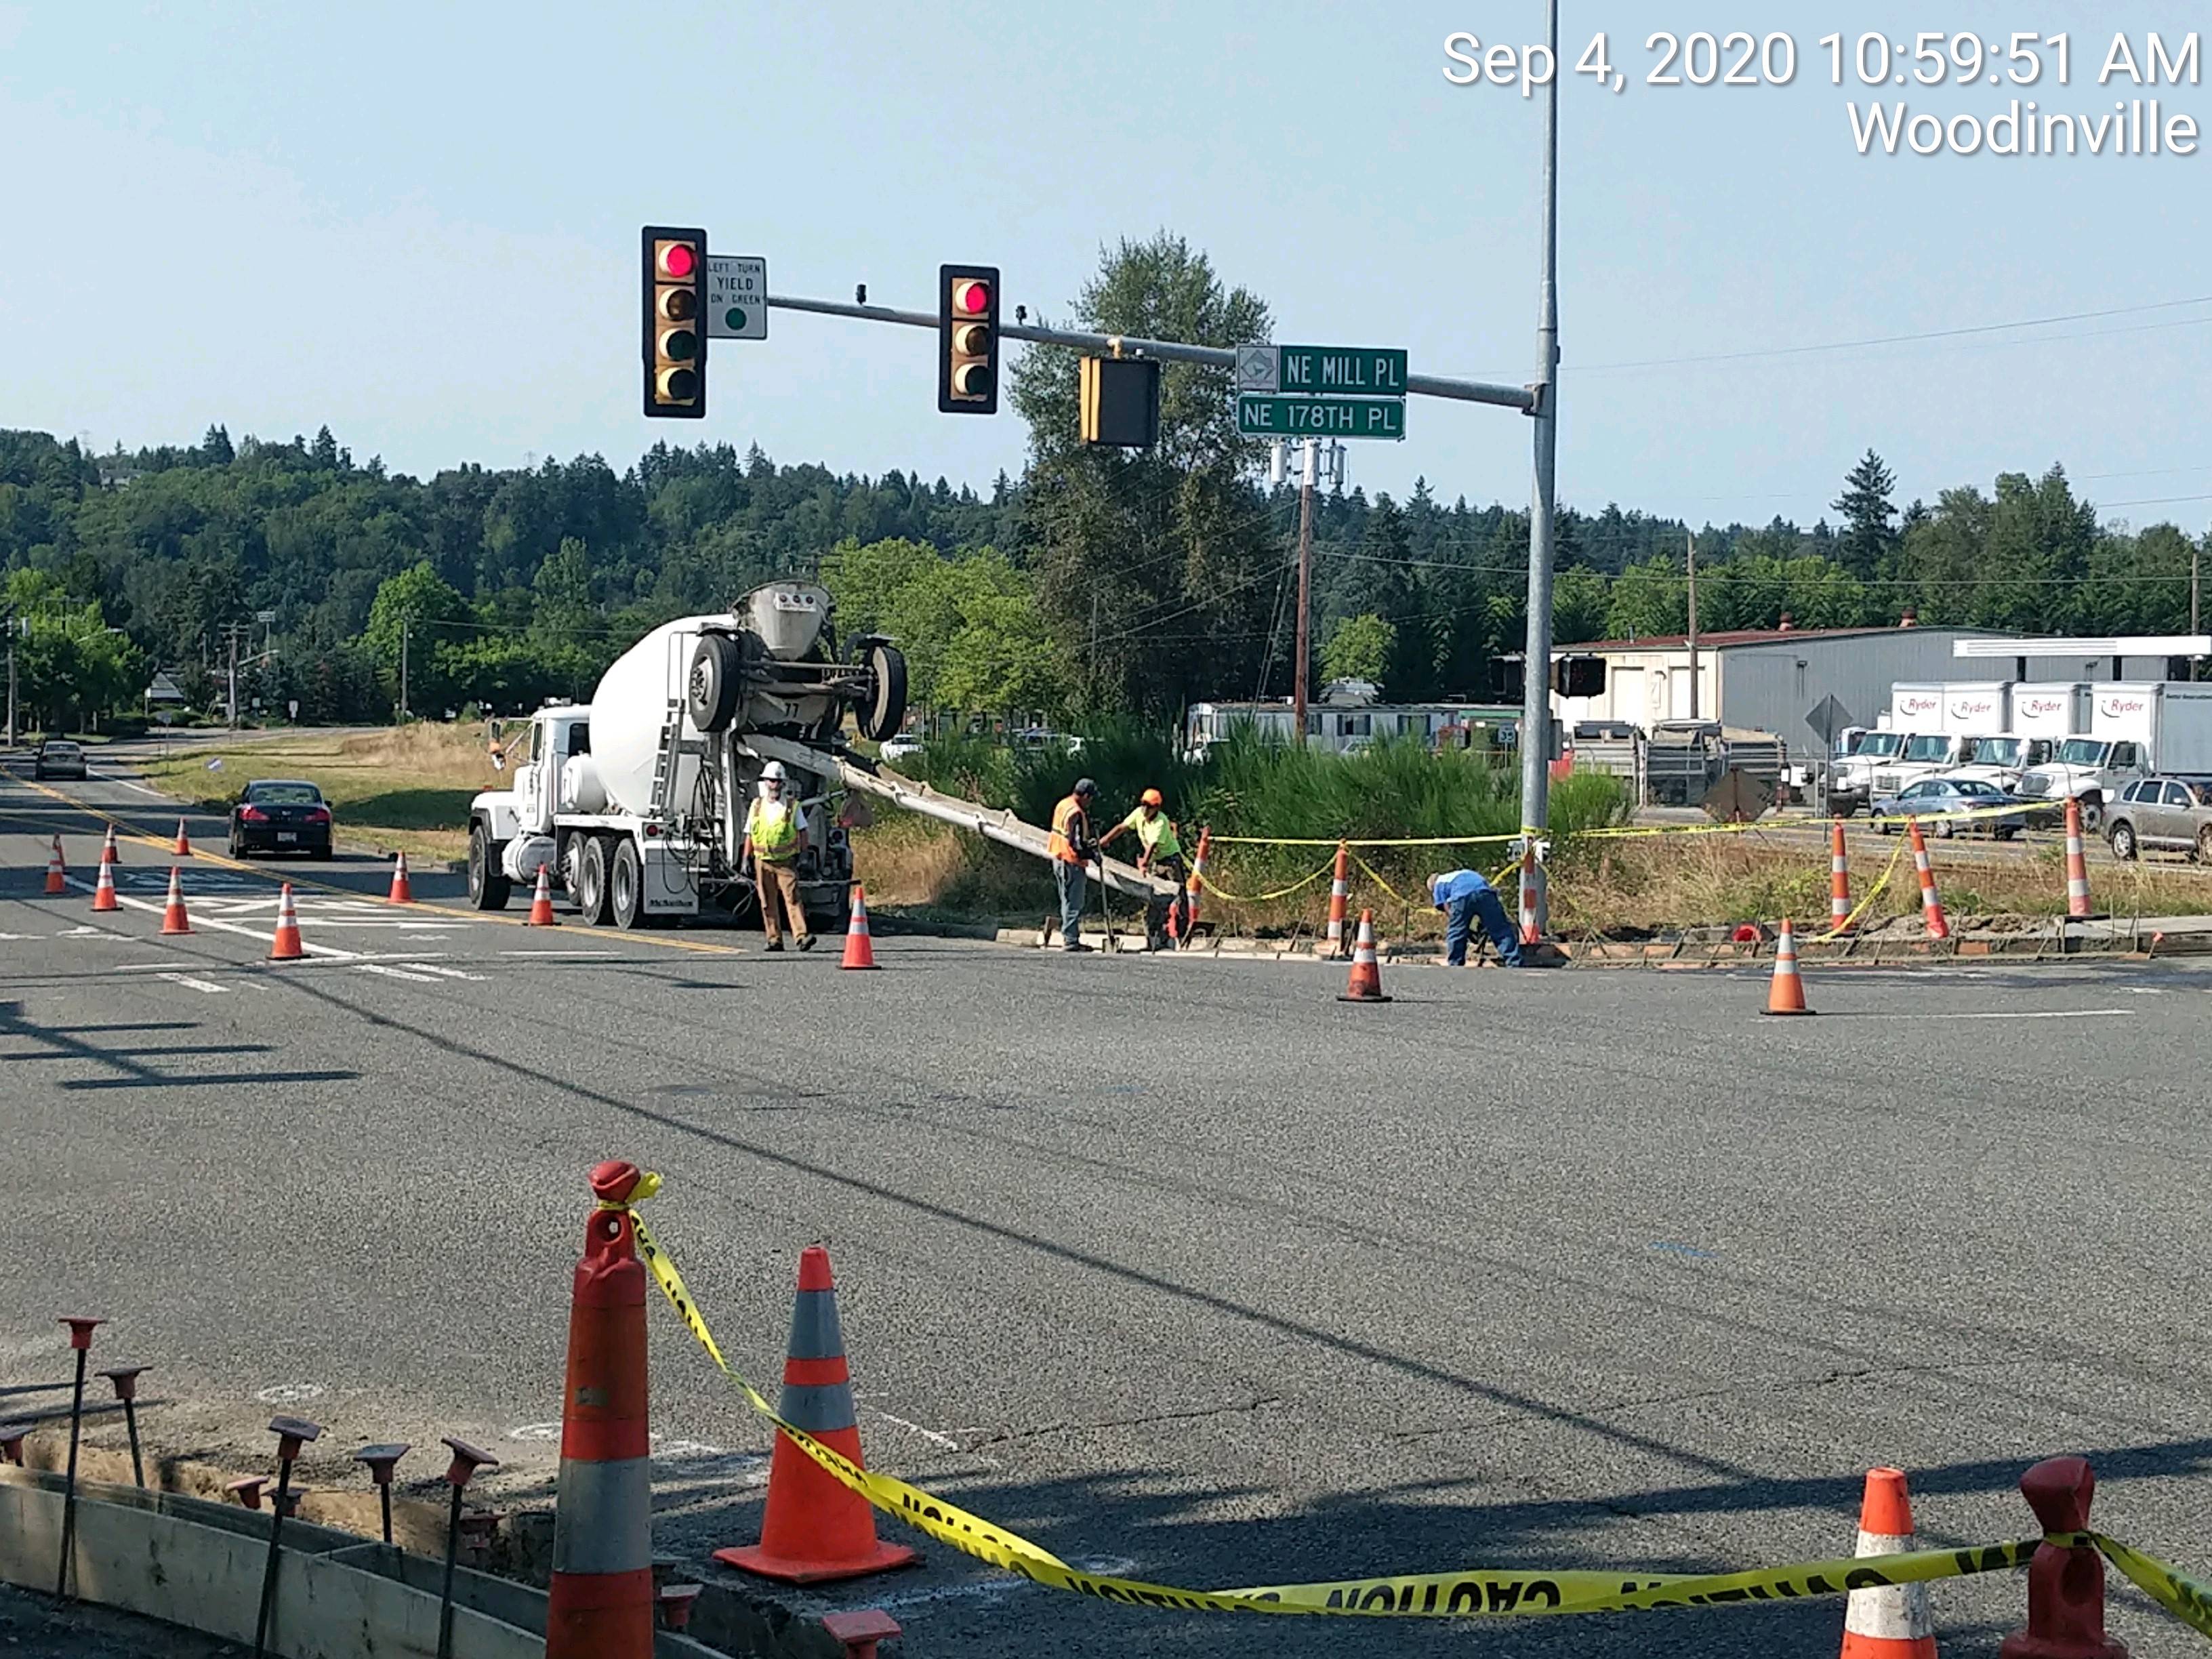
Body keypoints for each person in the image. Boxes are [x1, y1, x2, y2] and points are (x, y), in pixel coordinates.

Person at [1099, 787, 1188, 949]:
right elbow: (1122, 827)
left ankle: (1180, 934)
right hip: (1156, 861)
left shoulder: (1161, 821)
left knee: (1176, 896)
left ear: (1157, 808)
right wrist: (1105, 840)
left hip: (1170, 860)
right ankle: (1156, 935)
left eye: (1149, 806)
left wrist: (1144, 863)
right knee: (1154, 897)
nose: (1145, 809)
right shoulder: (1139, 814)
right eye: (1143, 805)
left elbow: (1152, 846)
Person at [743, 761, 813, 952]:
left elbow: (803, 831)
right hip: (762, 861)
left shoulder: (792, 807)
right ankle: (774, 939)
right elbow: (749, 833)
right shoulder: (757, 806)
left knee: (793, 898)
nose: (774, 785)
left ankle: (802, 936)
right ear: (765, 782)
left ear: (783, 783)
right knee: (767, 902)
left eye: (777, 781)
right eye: (771, 781)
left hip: (786, 862)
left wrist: (804, 855)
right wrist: (745, 860)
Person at [1428, 868, 1522, 968]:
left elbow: (1445, 906)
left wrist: (1457, 923)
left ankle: (1455, 962)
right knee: (1500, 929)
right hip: (1485, 893)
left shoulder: (1438, 884)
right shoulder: (1462, 873)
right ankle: (1514, 961)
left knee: (1456, 932)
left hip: (1462, 897)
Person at [1047, 777, 1099, 953]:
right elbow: (1075, 844)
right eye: (1090, 798)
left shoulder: (1063, 804)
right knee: (1074, 903)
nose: (1090, 802)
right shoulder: (1076, 812)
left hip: (1058, 857)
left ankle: (1069, 936)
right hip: (1072, 862)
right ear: (1085, 795)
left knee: (1066, 900)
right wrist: (1092, 855)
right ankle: (1071, 939)